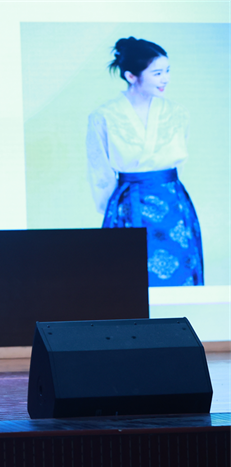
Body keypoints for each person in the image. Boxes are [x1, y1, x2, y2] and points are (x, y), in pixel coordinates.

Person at [87, 37, 203, 286]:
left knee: (180, 273)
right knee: (129, 278)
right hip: (129, 204)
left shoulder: (177, 113)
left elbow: (179, 163)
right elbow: (99, 170)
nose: (165, 79)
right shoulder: (104, 116)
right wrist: (110, 209)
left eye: (167, 71)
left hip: (172, 204)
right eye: (157, 73)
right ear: (131, 76)